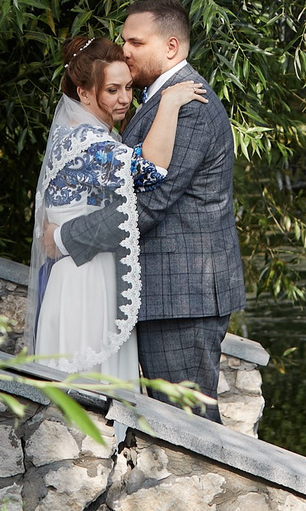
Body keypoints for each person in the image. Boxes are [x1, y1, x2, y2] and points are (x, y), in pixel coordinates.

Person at [63, 0, 245, 421]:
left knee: (191, 433)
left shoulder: (192, 107)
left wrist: (68, 239)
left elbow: (151, 203)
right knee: (174, 428)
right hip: (169, 295)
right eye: (124, 40)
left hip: (182, 296)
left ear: (171, 47)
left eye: (135, 42)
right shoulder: (161, 101)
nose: (124, 50)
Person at [26, 38, 204, 381]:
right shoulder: (86, 143)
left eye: (127, 87)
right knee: (90, 387)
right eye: (112, 90)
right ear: (84, 93)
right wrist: (168, 104)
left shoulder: (79, 133)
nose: (125, 98)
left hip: (89, 272)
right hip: (84, 283)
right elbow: (150, 170)